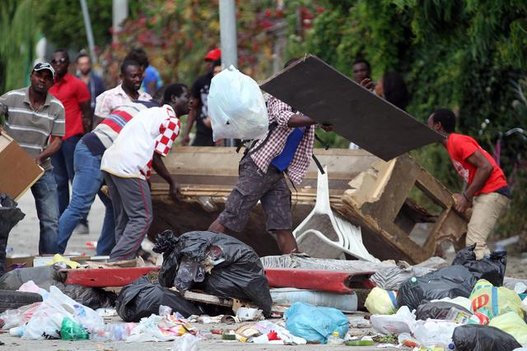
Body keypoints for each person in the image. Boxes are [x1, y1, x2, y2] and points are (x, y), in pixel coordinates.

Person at [208, 59, 332, 254]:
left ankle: (295, 268)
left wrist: (326, 119)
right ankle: (199, 256)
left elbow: (317, 121)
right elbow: (286, 120)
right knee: (231, 215)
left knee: (282, 224)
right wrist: (318, 117)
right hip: (258, 167)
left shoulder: (305, 106)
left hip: (276, 173)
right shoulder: (280, 97)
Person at [100, 84, 190, 261]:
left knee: (124, 219)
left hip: (110, 163)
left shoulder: (151, 112)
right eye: (186, 97)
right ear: (173, 99)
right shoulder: (172, 121)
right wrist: (172, 181)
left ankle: (128, 259)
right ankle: (118, 259)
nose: (191, 101)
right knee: (143, 217)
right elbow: (156, 156)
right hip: (130, 167)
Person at [56, 101, 155, 256]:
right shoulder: (157, 114)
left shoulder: (138, 104)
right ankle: (51, 253)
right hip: (94, 152)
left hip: (106, 155)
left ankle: (104, 253)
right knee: (79, 206)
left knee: (113, 205)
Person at [427, 108, 511, 259]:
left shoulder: (457, 141)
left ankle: (481, 280)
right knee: (463, 235)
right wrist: (467, 198)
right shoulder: (451, 146)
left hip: (494, 191)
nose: (427, 128)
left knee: (474, 242)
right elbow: (474, 173)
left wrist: (466, 197)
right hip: (485, 193)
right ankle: (480, 271)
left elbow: (486, 167)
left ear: (437, 126)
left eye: (429, 125)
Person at [0, 62, 65, 254]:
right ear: (32, 76)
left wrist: (40, 157)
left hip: (41, 167)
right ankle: (1, 261)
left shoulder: (57, 107)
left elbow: (57, 141)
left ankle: (47, 262)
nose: (42, 80)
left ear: (52, 82)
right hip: (12, 165)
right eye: (39, 75)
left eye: (47, 77)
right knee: (4, 216)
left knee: (51, 220)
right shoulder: (13, 97)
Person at [49, 49, 93, 233]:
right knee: (59, 181)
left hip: (72, 136)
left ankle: (82, 220)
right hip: (54, 138)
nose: (58, 64)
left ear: (68, 64)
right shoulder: (47, 85)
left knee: (76, 179)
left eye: (62, 61)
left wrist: (88, 137)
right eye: (55, 61)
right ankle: (63, 220)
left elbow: (87, 112)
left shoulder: (77, 85)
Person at [182, 48, 221, 146]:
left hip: (224, 133)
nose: (209, 65)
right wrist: (186, 133)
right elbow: (193, 107)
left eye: (212, 61)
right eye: (207, 61)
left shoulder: (229, 82)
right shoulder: (201, 81)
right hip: (203, 132)